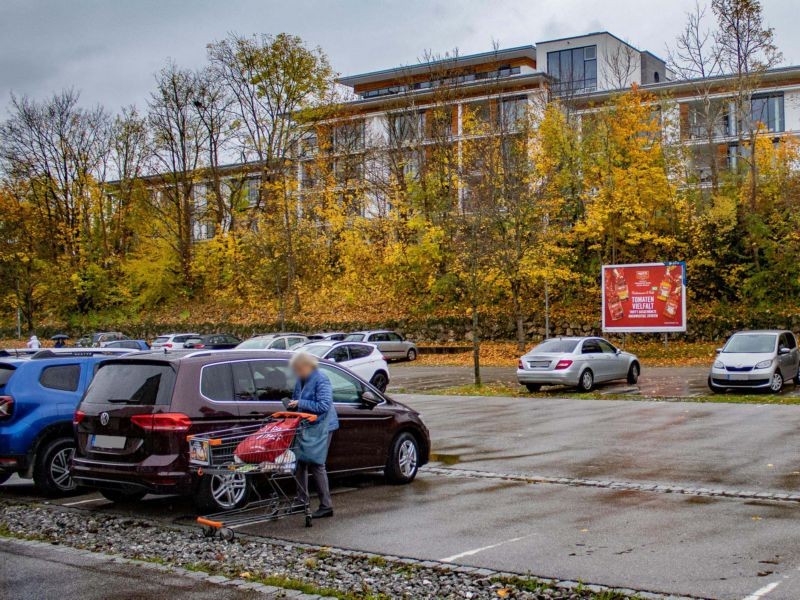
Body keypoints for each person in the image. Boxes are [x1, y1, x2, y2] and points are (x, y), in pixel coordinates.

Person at [287, 351, 339, 519]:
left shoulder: (321, 379)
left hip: (322, 426)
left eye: (299, 368)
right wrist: (292, 406)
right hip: (306, 425)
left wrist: (301, 403)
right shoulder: (301, 379)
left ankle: (326, 505)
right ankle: (301, 500)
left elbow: (324, 405)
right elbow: (297, 399)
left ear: (307, 366)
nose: (297, 372)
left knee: (317, 464)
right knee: (300, 462)